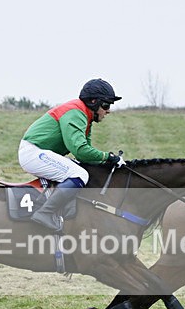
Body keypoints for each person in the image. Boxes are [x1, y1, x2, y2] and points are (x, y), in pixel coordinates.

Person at [19, 78, 122, 231]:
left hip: (40, 152)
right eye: (106, 105)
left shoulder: (85, 117)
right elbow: (80, 150)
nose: (108, 110)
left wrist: (106, 161)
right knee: (79, 175)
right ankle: (45, 213)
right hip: (33, 152)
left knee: (82, 169)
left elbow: (84, 155)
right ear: (93, 102)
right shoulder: (76, 112)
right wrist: (108, 157)